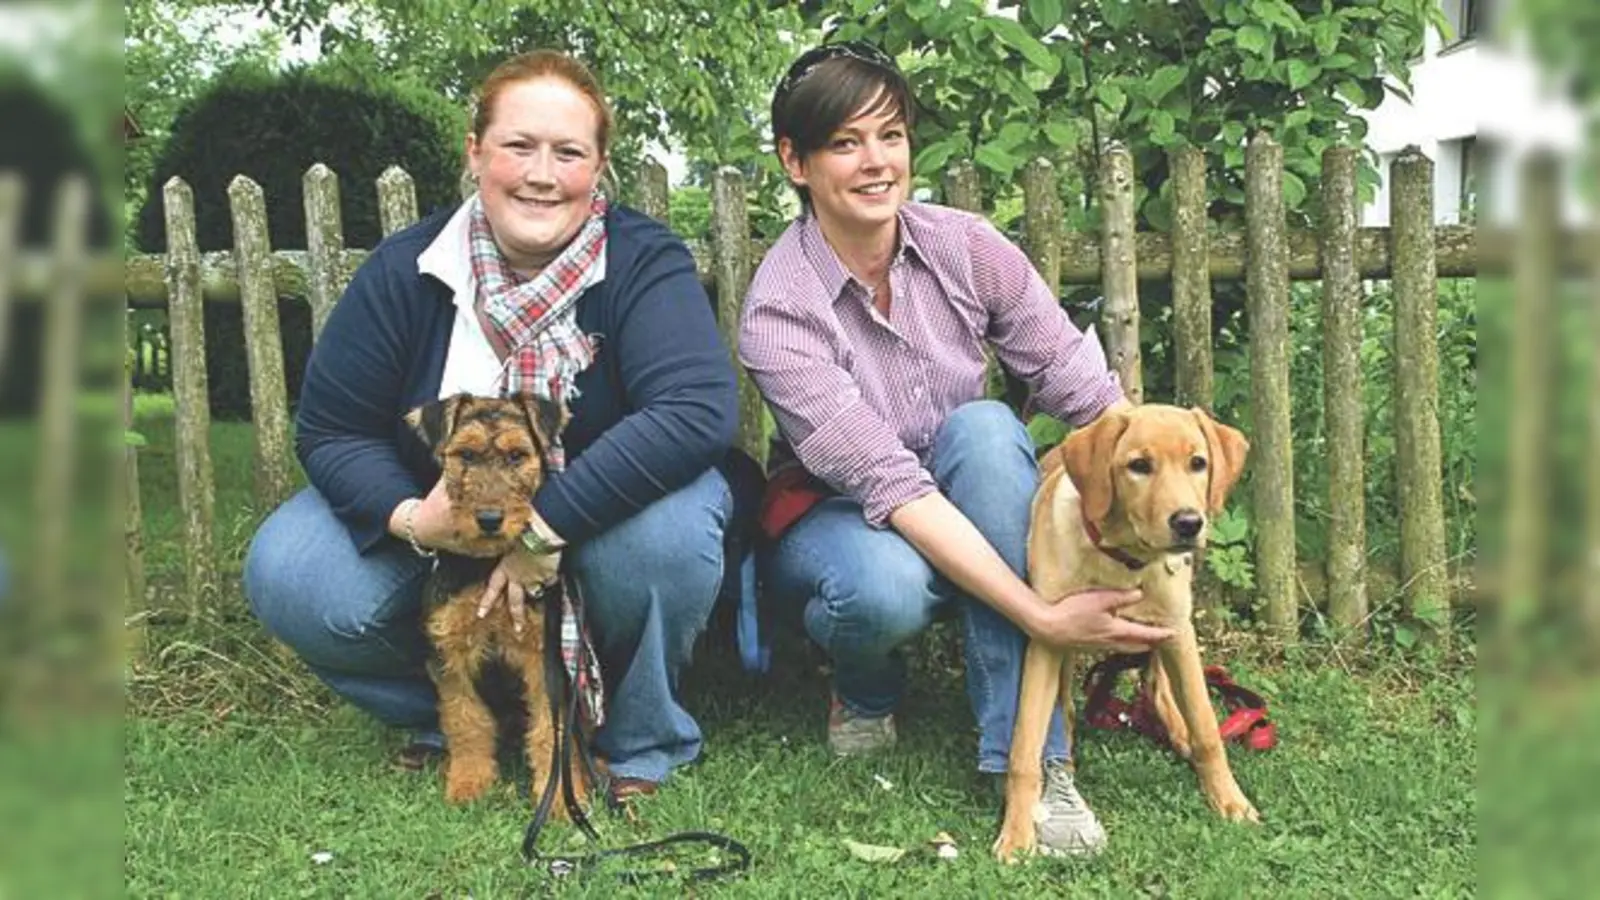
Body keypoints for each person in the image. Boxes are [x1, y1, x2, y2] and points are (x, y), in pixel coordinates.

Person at [245, 50, 741, 802]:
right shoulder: (406, 270)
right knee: (289, 569)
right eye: (519, 146)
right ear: (475, 152)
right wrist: (413, 516)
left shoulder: (642, 261)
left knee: (669, 538)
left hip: (598, 521)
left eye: (568, 152)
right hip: (449, 528)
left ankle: (637, 737)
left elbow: (696, 411)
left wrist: (544, 529)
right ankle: (458, 717)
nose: (542, 173)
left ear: (598, 167)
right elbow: (330, 429)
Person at [739, 41, 1175, 856]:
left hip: (962, 482)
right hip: (838, 519)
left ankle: (1035, 765)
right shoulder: (779, 313)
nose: (877, 163)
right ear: (794, 162)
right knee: (885, 586)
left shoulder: (966, 246)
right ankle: (863, 692)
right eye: (845, 143)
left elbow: (1089, 396)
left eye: (891, 136)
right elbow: (894, 488)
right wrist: (1047, 615)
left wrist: (1152, 517)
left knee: (983, 428)